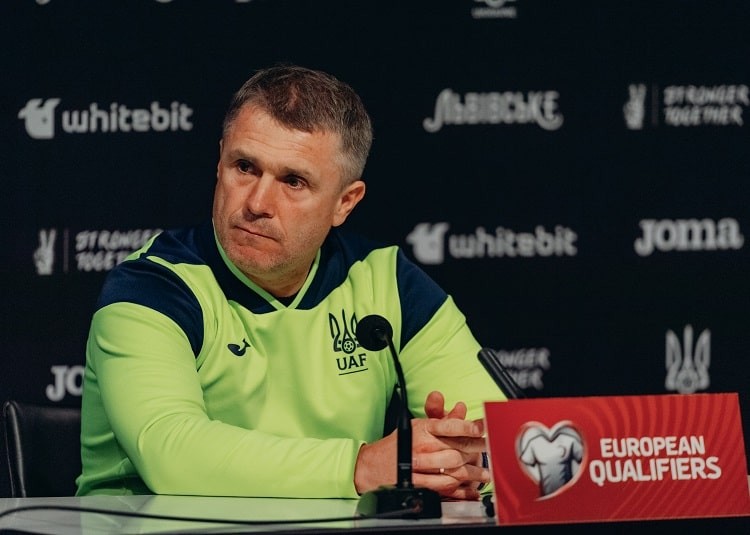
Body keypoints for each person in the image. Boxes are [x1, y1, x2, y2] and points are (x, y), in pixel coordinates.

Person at [76, 65, 506, 500]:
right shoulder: (153, 287)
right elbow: (171, 454)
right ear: (220, 162)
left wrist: (464, 470)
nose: (257, 203)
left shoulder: (387, 283)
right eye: (245, 167)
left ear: (345, 202)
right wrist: (359, 467)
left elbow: (499, 441)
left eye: (293, 181)